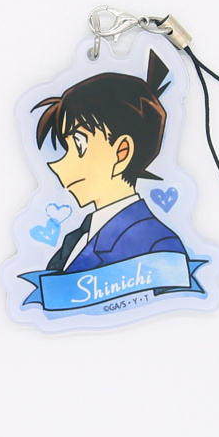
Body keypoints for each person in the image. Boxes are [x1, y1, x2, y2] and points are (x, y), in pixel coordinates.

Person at [33, 50, 187, 274]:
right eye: (66, 148)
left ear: (122, 152)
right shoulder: (76, 239)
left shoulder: (158, 245)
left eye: (79, 145)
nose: (56, 165)